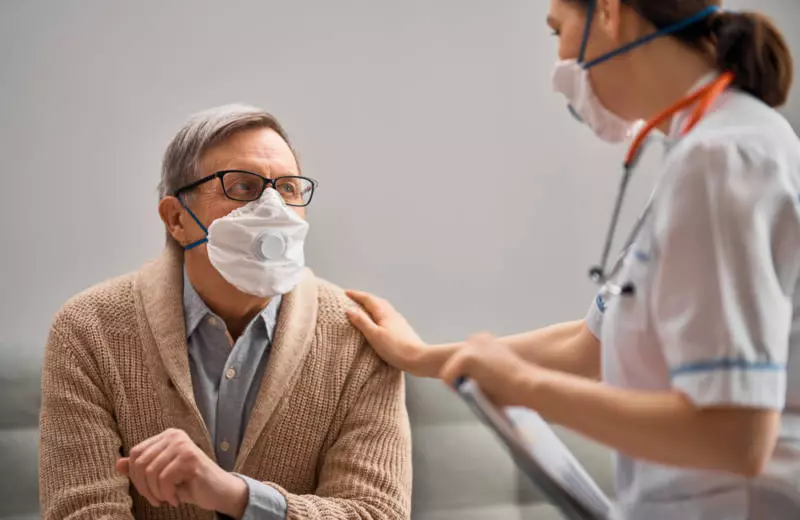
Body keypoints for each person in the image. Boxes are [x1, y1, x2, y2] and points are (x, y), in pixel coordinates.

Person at [346, 1, 800, 518]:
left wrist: (522, 386)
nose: (560, 61)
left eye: (559, 30)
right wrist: (421, 356)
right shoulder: (707, 148)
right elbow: (591, 345)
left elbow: (734, 437)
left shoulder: (721, 158)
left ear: (609, 12)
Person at [39, 104, 412, 520]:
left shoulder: (360, 335)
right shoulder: (89, 330)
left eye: (288, 188)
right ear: (177, 219)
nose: (273, 209)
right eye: (243, 187)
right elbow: (84, 512)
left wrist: (236, 495)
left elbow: (376, 512)